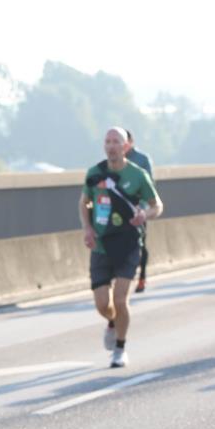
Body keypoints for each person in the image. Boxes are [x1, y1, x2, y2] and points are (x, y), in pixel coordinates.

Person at [79, 127, 164, 368]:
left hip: (128, 243)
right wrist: (87, 228)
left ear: (125, 146)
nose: (111, 146)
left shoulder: (137, 175)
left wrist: (145, 214)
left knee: (119, 299)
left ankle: (120, 348)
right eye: (107, 142)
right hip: (101, 244)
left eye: (116, 142)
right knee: (101, 304)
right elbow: (84, 203)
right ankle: (112, 322)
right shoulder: (95, 173)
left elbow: (157, 205)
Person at [125, 130, 154, 293]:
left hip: (139, 209)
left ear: (131, 141)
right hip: (120, 211)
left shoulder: (142, 160)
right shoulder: (114, 161)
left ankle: (142, 276)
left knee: (140, 243)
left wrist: (142, 207)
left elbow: (149, 186)